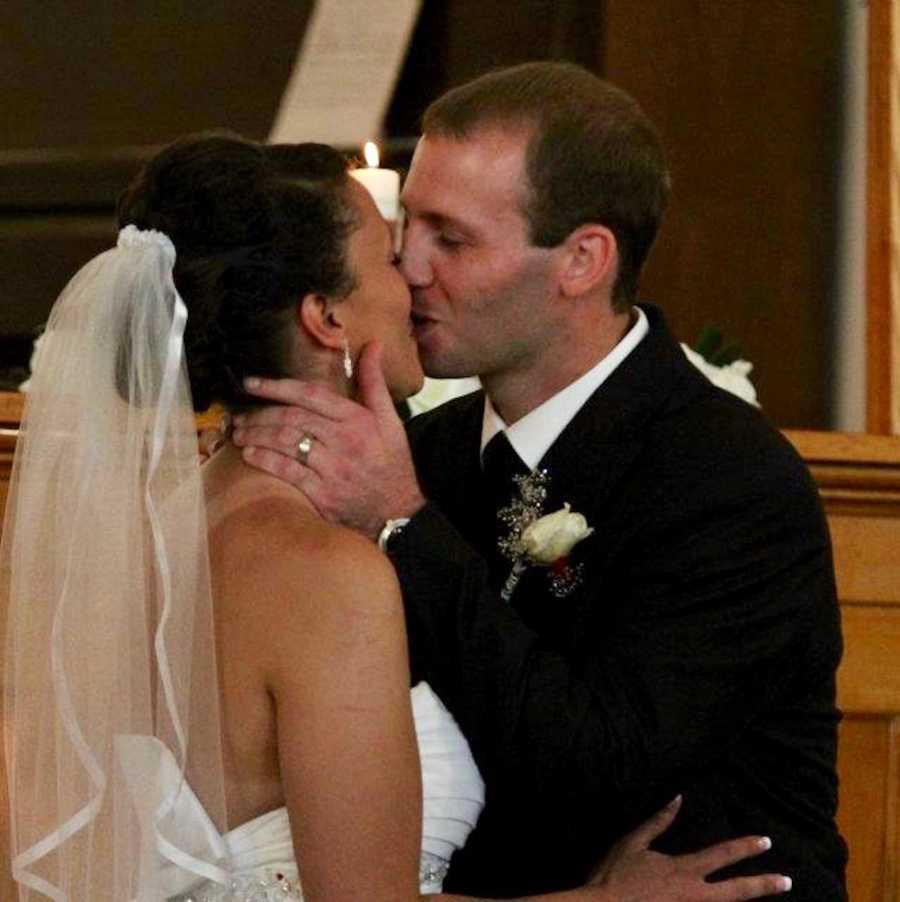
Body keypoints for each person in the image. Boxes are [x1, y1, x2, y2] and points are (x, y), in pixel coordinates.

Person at [0, 132, 788, 902]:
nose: (412, 275)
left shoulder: (145, 536)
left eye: (440, 238)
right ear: (327, 319)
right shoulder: (328, 574)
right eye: (388, 251)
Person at [230, 62, 848, 899]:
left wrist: (406, 524)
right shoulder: (423, 448)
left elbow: (601, 767)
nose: (408, 266)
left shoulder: (726, 475)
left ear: (583, 260)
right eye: (406, 224)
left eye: (450, 238)